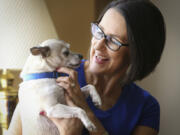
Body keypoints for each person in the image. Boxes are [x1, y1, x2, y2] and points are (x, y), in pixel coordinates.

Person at [45, 0, 166, 135]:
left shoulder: (146, 107)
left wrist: (87, 114)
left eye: (113, 40)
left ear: (137, 52)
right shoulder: (55, 75)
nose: (97, 45)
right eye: (99, 31)